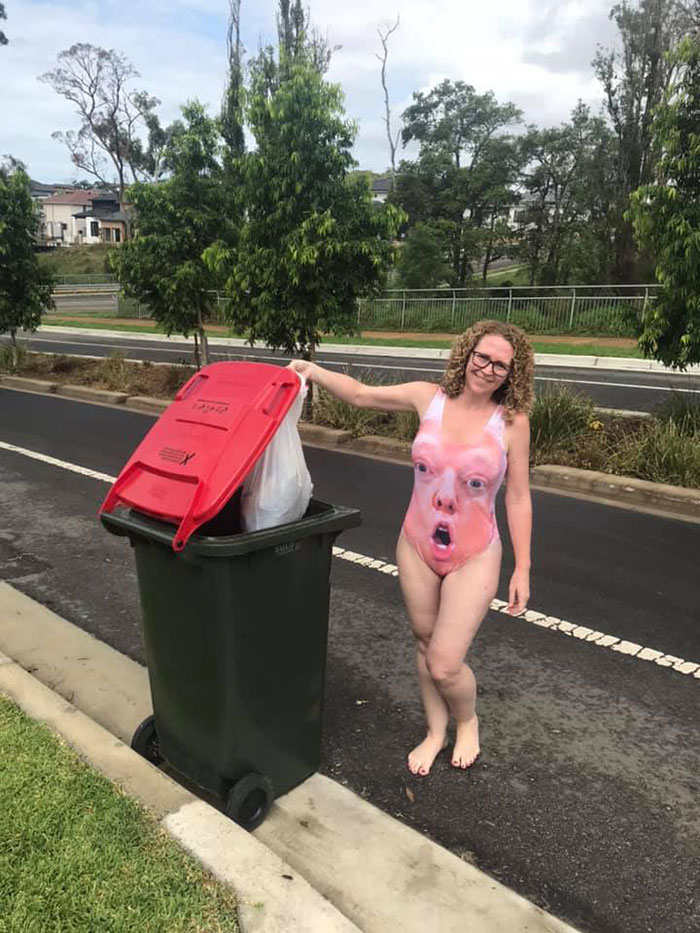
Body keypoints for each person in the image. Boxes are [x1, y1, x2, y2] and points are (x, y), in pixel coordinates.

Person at [288, 320, 534, 777]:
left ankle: (467, 720)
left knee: (445, 662)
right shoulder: (428, 398)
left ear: (511, 374)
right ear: (467, 354)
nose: (487, 369)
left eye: (500, 365)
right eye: (482, 357)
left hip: (475, 553)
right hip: (416, 544)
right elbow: (361, 395)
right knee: (423, 642)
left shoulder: (512, 424)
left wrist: (522, 568)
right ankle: (435, 731)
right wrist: (312, 370)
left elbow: (518, 496)